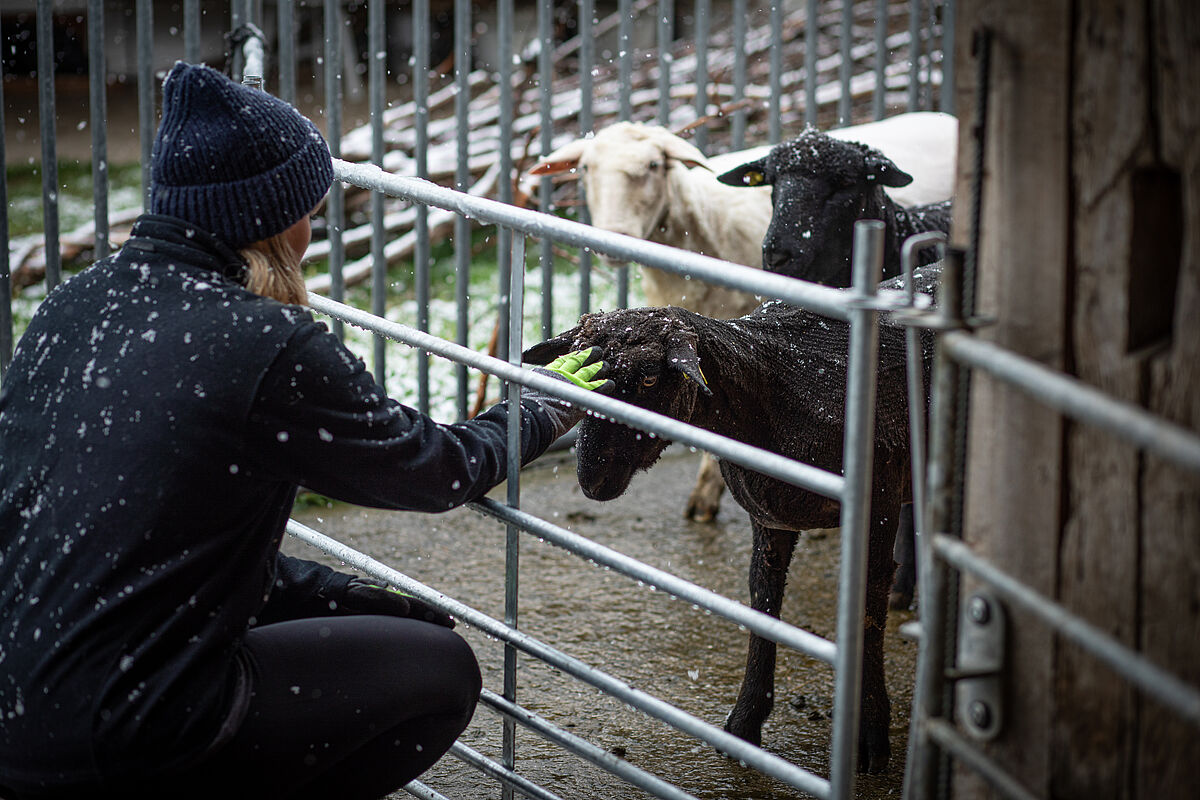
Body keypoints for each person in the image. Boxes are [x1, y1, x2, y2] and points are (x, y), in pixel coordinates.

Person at [0, 62, 613, 800]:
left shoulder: (78, 303)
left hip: (20, 716)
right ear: (273, 214)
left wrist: (337, 593)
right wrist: (538, 408)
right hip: (124, 740)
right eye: (309, 206)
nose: (312, 225)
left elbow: (146, 534)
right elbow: (432, 469)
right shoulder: (262, 345)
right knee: (439, 671)